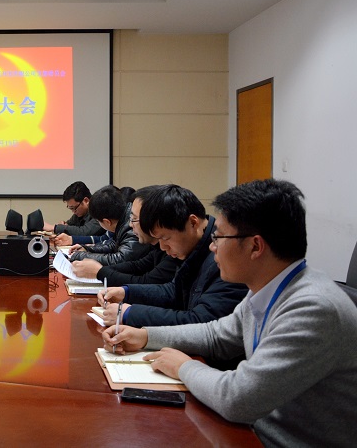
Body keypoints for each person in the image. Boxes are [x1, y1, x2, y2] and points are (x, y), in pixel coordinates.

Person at [103, 179, 357, 448]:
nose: (212, 247)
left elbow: (238, 399)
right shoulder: (268, 288)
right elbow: (217, 335)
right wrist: (145, 336)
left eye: (219, 237)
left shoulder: (312, 309)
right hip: (253, 430)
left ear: (255, 246)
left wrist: (183, 366)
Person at [97, 184, 248, 327]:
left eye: (165, 238)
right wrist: (126, 292)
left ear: (193, 223)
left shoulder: (226, 258)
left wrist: (130, 313)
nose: (162, 247)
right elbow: (174, 291)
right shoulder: (193, 247)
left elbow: (202, 323)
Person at [74, 185, 181, 285]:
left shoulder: (175, 253)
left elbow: (149, 282)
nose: (130, 224)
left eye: (134, 219)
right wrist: (99, 269)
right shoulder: (158, 248)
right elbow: (137, 266)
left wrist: (100, 272)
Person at [65, 185, 152, 266]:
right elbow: (113, 245)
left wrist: (82, 256)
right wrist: (87, 249)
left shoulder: (132, 227)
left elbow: (119, 259)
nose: (131, 222)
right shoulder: (123, 217)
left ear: (107, 222)